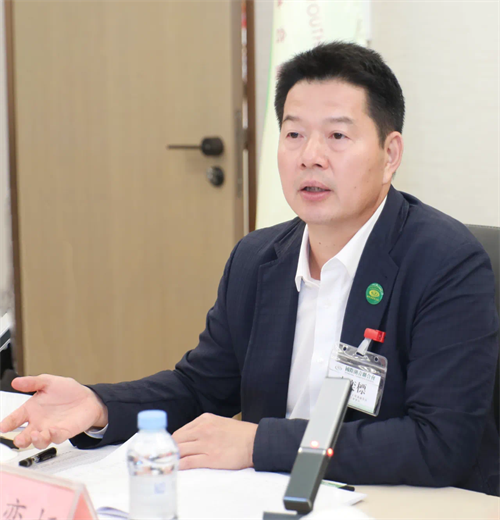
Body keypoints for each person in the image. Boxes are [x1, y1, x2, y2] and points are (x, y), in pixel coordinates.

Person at [1, 42, 499, 495]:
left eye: (337, 135)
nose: (311, 156)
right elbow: (201, 387)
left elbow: (439, 442)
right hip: (273, 495)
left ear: (390, 155)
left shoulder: (446, 263)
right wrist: (99, 406)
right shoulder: (259, 258)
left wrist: (260, 443)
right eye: (294, 134)